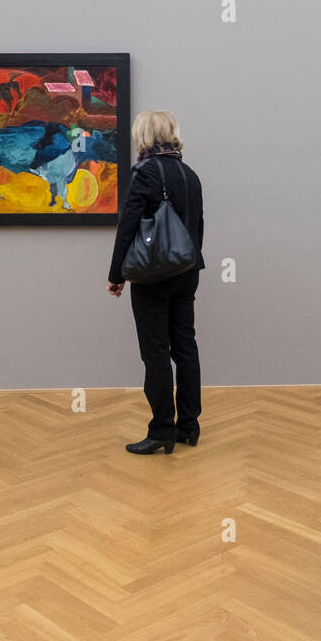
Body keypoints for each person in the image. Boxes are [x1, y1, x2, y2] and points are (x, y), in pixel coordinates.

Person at [107, 110, 205, 455]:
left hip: (152, 275)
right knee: (185, 348)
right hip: (187, 273)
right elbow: (197, 228)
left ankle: (162, 428)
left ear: (143, 136)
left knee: (156, 353)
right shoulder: (189, 173)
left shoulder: (145, 172)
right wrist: (189, 263)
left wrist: (116, 274)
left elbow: (127, 228)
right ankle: (189, 425)